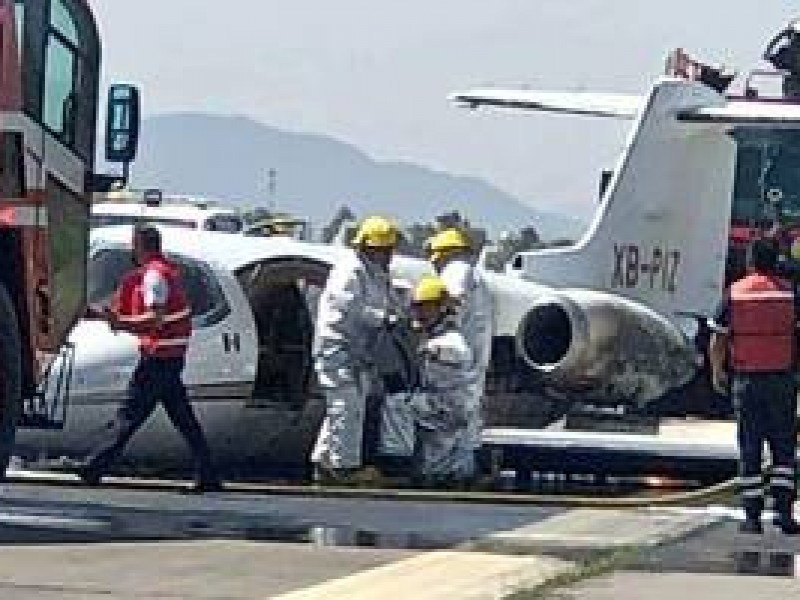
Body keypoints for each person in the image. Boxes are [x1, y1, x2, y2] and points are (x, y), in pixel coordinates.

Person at [77, 225, 221, 493]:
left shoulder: (154, 276)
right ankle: (208, 472)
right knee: (183, 419)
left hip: (159, 356)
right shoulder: (165, 272)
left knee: (129, 414)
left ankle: (95, 466)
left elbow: (154, 320)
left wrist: (121, 324)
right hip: (169, 356)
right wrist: (98, 316)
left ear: (140, 245)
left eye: (134, 245)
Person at [709, 238, 800, 534]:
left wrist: (717, 373)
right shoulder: (790, 293)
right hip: (782, 380)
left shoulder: (735, 293)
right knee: (783, 448)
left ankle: (751, 517)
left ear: (750, 260)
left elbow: (718, 339)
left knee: (750, 447)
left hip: (747, 381)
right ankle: (784, 513)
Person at [311, 215, 406, 484]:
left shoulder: (377, 274)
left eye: (389, 249)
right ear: (367, 247)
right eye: (382, 249)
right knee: (346, 406)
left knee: (345, 408)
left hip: (359, 350)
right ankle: (344, 468)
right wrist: (382, 319)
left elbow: (388, 303)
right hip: (338, 348)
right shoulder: (350, 272)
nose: (387, 255)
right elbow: (349, 308)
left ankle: (324, 460)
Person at [390, 275, 475, 486]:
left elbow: (457, 354)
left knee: (396, 404)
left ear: (443, 308)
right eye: (418, 307)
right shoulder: (431, 337)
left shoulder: (450, 341)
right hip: (439, 409)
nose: (421, 313)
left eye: (428, 307)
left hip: (446, 408)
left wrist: (431, 351)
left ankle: (394, 464)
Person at [425, 228, 493, 460]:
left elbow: (450, 305)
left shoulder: (455, 271)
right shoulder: (477, 277)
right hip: (473, 360)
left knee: (445, 417)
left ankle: (440, 470)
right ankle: (464, 467)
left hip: (455, 360)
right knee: (468, 415)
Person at [764, 18, 800, 99]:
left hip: (793, 85)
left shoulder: (787, 51)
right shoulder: (787, 50)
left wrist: (781, 36)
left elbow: (769, 56)